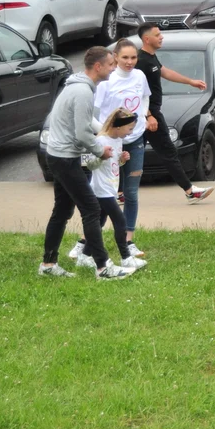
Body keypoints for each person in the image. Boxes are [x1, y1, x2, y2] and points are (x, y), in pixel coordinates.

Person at [40, 47, 133, 280]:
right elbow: (82, 134)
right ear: (99, 67)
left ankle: (48, 264)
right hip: (64, 158)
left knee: (62, 211)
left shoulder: (78, 86)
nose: (115, 68)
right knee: (91, 209)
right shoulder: (83, 92)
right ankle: (103, 268)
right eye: (112, 64)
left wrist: (103, 131)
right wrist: (101, 150)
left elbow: (87, 123)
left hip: (59, 155)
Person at [69, 39, 151, 262]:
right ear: (115, 57)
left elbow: (145, 98)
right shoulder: (106, 80)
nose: (129, 62)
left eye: (134, 57)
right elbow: (92, 117)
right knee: (107, 216)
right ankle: (104, 251)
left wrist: (140, 119)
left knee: (129, 195)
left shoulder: (140, 77)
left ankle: (120, 246)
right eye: (124, 57)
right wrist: (104, 139)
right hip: (109, 145)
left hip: (128, 141)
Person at [135, 24, 214, 204]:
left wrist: (190, 82)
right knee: (167, 152)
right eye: (157, 35)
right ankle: (190, 191)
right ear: (147, 39)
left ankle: (119, 191)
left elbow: (165, 72)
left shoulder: (151, 58)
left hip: (150, 115)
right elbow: (136, 93)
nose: (161, 37)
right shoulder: (141, 62)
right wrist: (148, 116)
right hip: (149, 116)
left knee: (133, 153)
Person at [73, 108, 147, 272]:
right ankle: (126, 257)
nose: (130, 133)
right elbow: (90, 165)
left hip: (110, 187)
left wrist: (121, 160)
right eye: (129, 129)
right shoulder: (101, 141)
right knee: (120, 221)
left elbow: (114, 164)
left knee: (99, 223)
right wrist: (101, 156)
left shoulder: (118, 140)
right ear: (118, 126)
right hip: (100, 189)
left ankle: (84, 256)